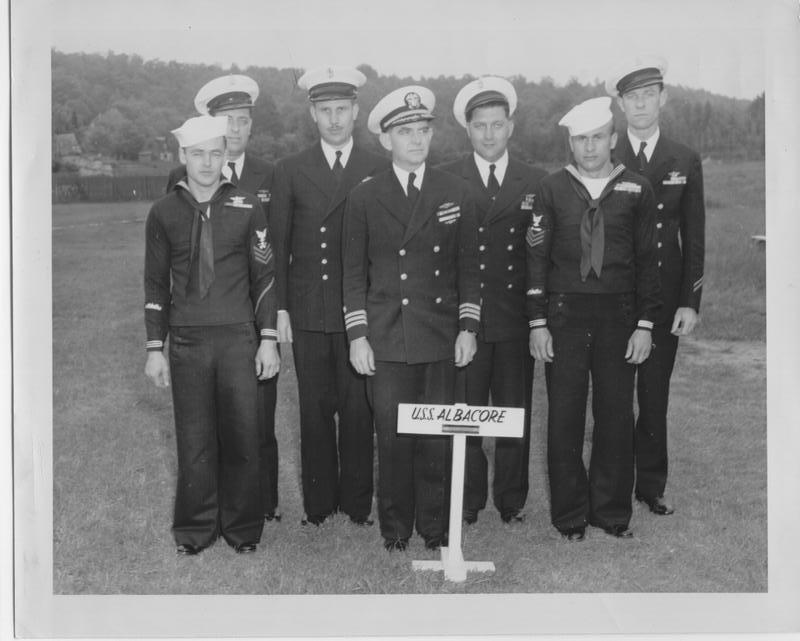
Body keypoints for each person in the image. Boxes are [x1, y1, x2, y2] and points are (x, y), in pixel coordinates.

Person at [342, 86, 481, 551]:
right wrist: (358, 336)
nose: (417, 140)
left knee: (436, 437)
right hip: (386, 337)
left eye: (423, 130)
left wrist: (468, 328)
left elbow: (469, 269)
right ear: (386, 140)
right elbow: (352, 275)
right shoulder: (364, 197)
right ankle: (396, 528)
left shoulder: (455, 191)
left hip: (439, 335)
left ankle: (435, 527)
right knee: (393, 436)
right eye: (406, 132)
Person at [144, 115, 280, 555]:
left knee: (243, 435)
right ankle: (195, 530)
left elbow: (264, 277)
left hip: (238, 337)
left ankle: (242, 529)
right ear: (182, 155)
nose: (207, 163)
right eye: (198, 154)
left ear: (225, 155)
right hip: (187, 340)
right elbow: (155, 283)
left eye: (215, 154)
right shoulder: (163, 212)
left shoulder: (247, 206)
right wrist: (155, 347)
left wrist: (268, 338)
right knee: (194, 439)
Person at [527, 97, 661, 541]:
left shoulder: (637, 188)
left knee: (615, 413)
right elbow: (536, 259)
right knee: (564, 415)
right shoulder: (551, 188)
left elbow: (649, 261)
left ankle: (611, 511)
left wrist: (645, 324)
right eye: (581, 139)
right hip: (565, 313)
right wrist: (537, 322)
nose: (589, 147)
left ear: (613, 139)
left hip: (619, 315)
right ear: (570, 143)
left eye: (597, 138)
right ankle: (569, 514)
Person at [269, 66, 388, 526]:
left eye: (342, 109)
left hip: (361, 313)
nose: (334, 119)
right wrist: (281, 308)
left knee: (359, 410)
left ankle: (357, 505)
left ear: (356, 111)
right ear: (312, 115)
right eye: (325, 110)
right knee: (314, 411)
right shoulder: (289, 170)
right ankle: (318, 506)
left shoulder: (378, 167)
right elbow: (279, 245)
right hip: (310, 310)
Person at [440, 76, 547, 525]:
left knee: (512, 412)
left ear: (511, 127)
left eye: (497, 124)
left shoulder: (535, 180)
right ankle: (466, 498)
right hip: (463, 320)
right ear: (467, 129)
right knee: (465, 412)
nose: (489, 134)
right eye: (480, 125)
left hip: (512, 317)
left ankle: (511, 499)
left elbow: (540, 255)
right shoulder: (445, 177)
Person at [606, 55, 706, 516]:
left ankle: (650, 485)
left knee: (653, 395)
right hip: (614, 296)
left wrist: (690, 301)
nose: (641, 104)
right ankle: (612, 486)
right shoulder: (605, 156)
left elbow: (694, 234)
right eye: (632, 97)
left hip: (665, 297)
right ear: (620, 104)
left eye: (649, 95)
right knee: (613, 396)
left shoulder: (684, 158)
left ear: (663, 99)